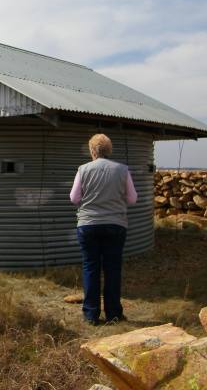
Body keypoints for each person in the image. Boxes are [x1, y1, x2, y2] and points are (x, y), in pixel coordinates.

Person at [70, 134, 138, 325]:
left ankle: (91, 315)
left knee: (91, 267)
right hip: (115, 224)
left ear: (92, 151)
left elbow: (74, 199)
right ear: (110, 150)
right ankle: (114, 314)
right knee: (112, 269)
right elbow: (132, 199)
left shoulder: (83, 170)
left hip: (88, 225)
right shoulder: (122, 170)